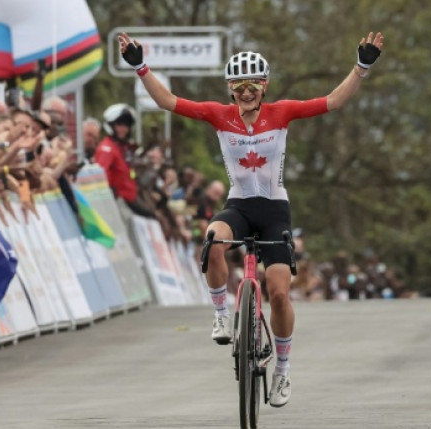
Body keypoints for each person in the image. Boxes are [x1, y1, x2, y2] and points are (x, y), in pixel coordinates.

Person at [119, 30, 384, 408]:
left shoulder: (283, 112)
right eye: (238, 87)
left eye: (253, 86)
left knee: (278, 292)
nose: (245, 93)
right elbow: (167, 101)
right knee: (213, 238)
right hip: (239, 206)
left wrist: (362, 66)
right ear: (230, 90)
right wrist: (140, 67)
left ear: (264, 87)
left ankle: (283, 370)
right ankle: (221, 315)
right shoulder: (218, 115)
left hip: (275, 209)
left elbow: (334, 101)